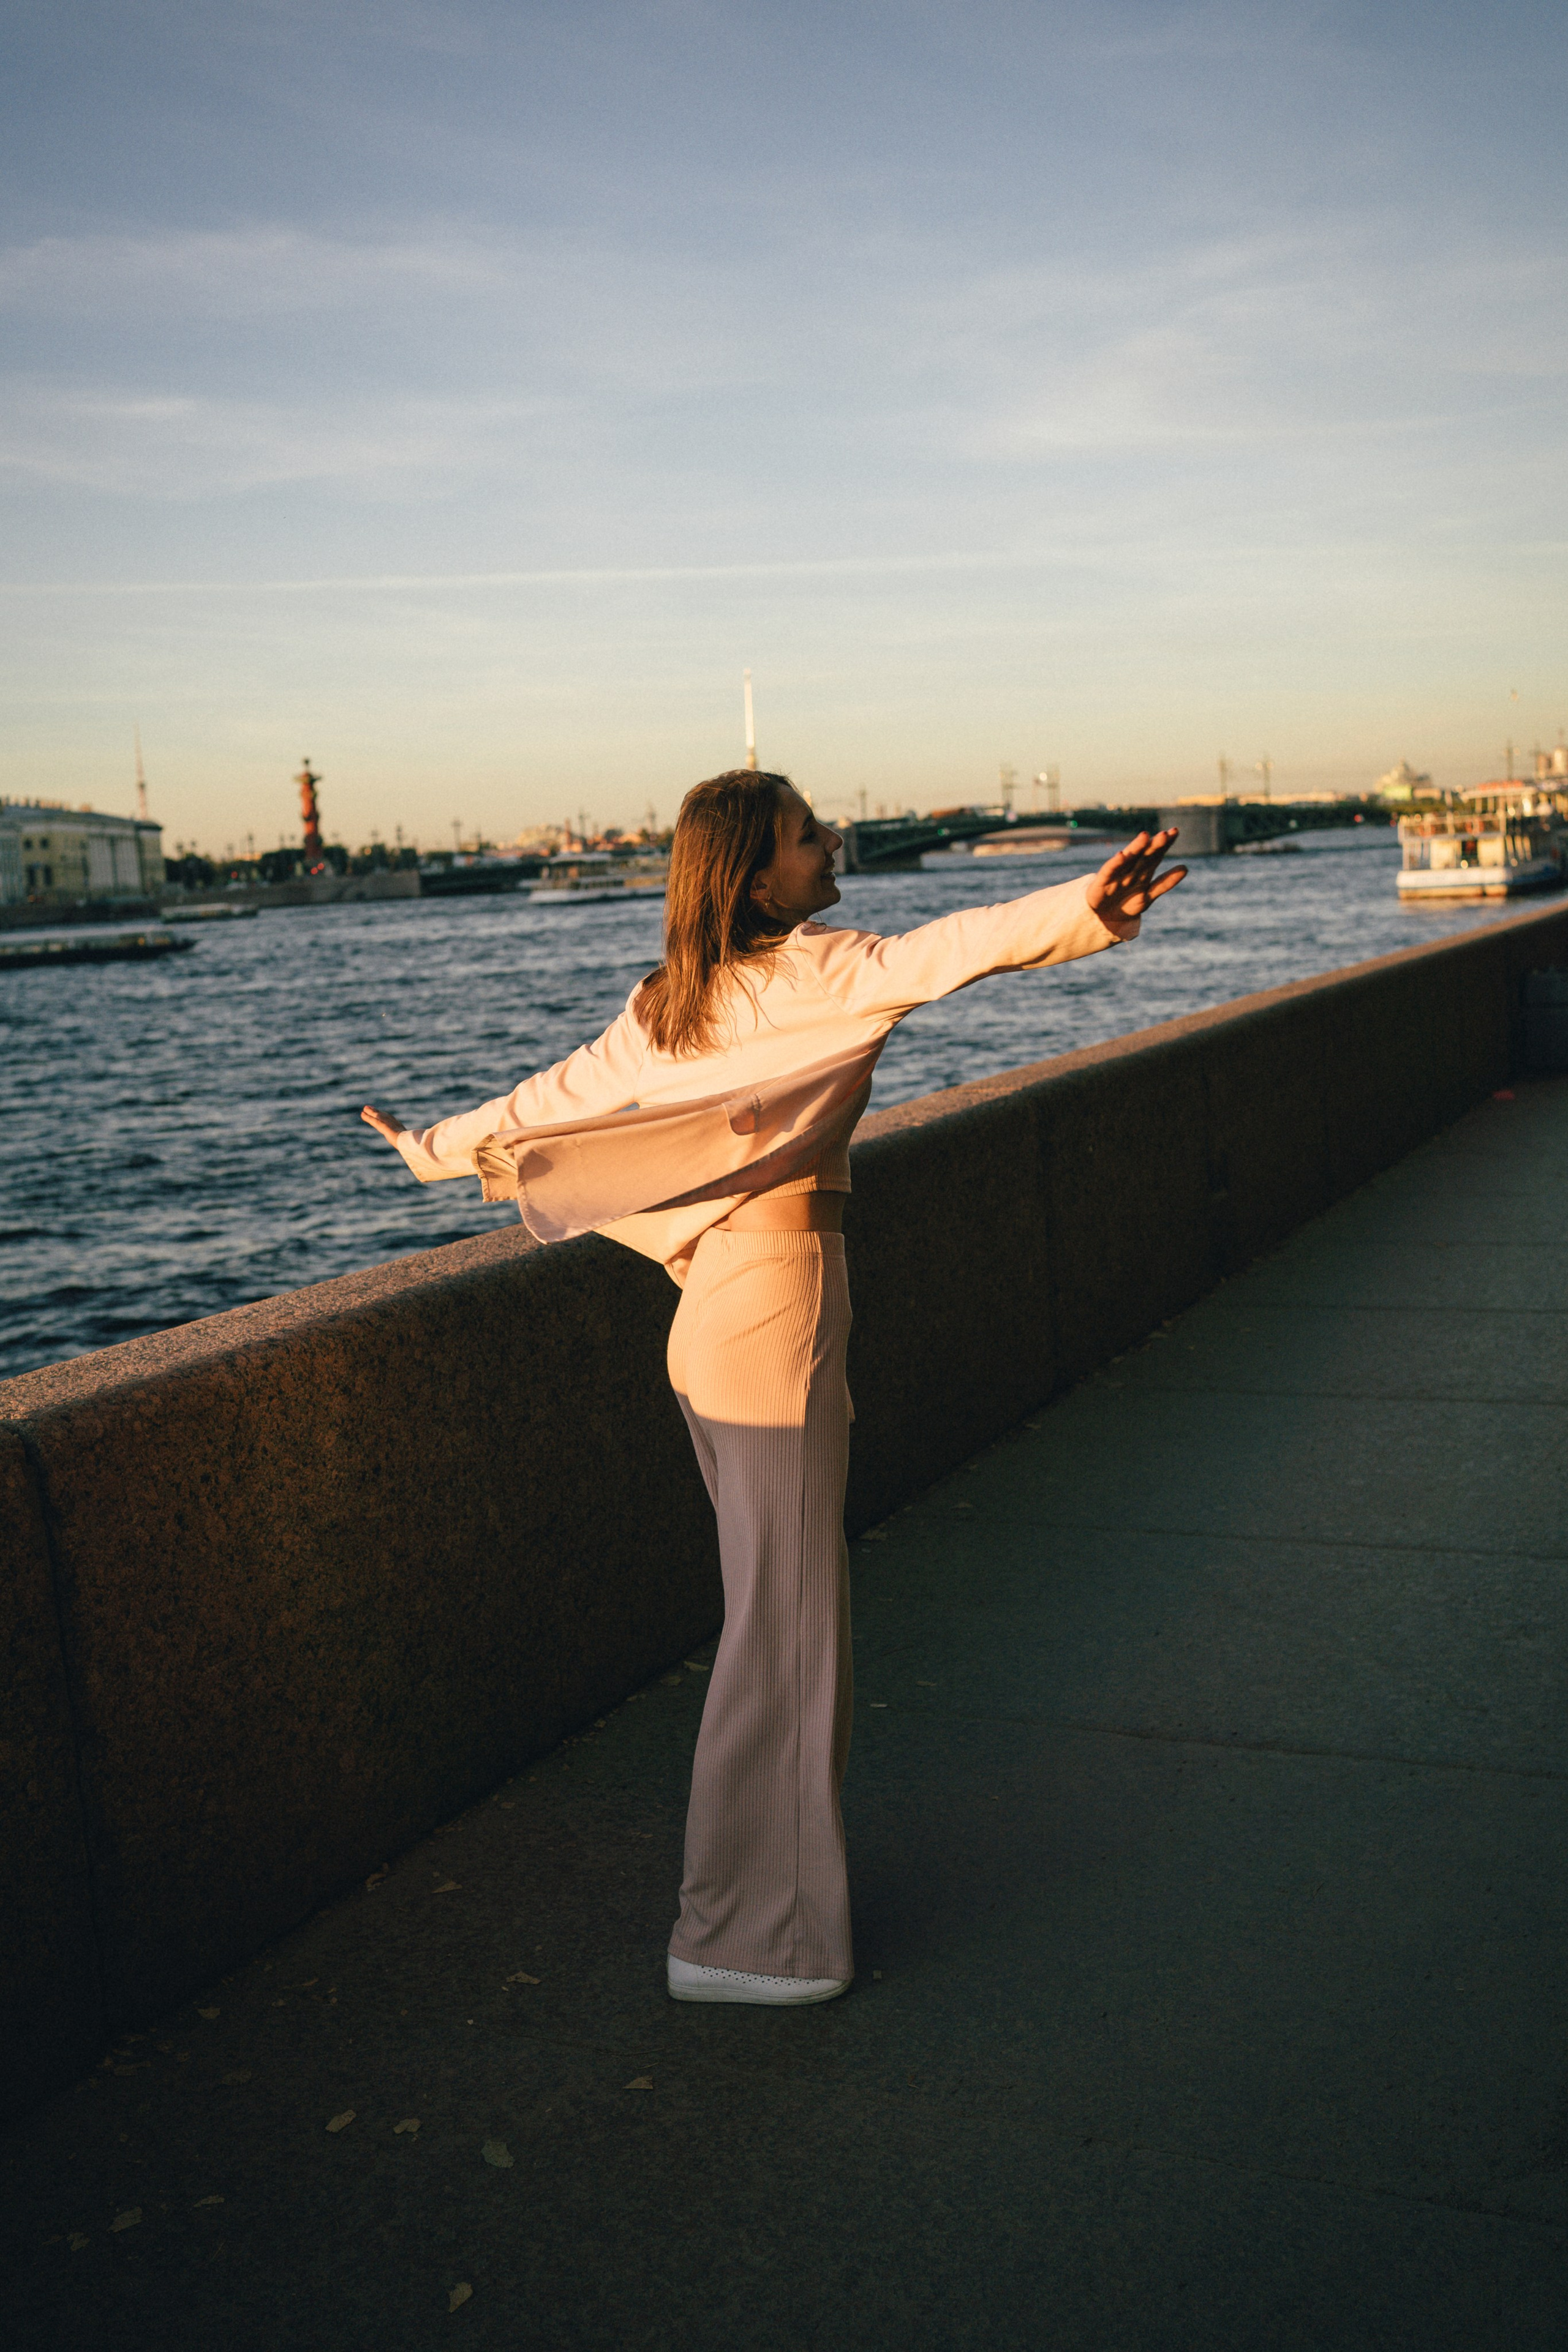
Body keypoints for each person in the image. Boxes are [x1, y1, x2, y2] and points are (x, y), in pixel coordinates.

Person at [363, 772, 1185, 2007]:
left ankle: (747, 1921)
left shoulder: (668, 1007)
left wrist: (430, 1148)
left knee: (775, 1618)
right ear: (754, 876)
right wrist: (1087, 902)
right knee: (788, 1631)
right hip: (777, 1304)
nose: (830, 843)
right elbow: (951, 950)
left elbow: (548, 1103)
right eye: (808, 835)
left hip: (712, 1318)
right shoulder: (818, 970)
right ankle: (749, 1941)